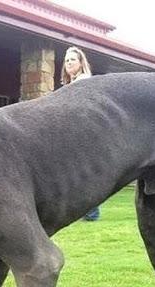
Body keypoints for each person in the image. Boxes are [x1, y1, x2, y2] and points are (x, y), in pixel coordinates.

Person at [61, 46, 101, 221]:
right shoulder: (71, 83)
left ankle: (92, 213)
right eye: (67, 60)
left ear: (80, 62)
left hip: (83, 134)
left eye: (72, 60)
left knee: (86, 174)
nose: (69, 63)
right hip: (73, 134)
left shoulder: (84, 81)